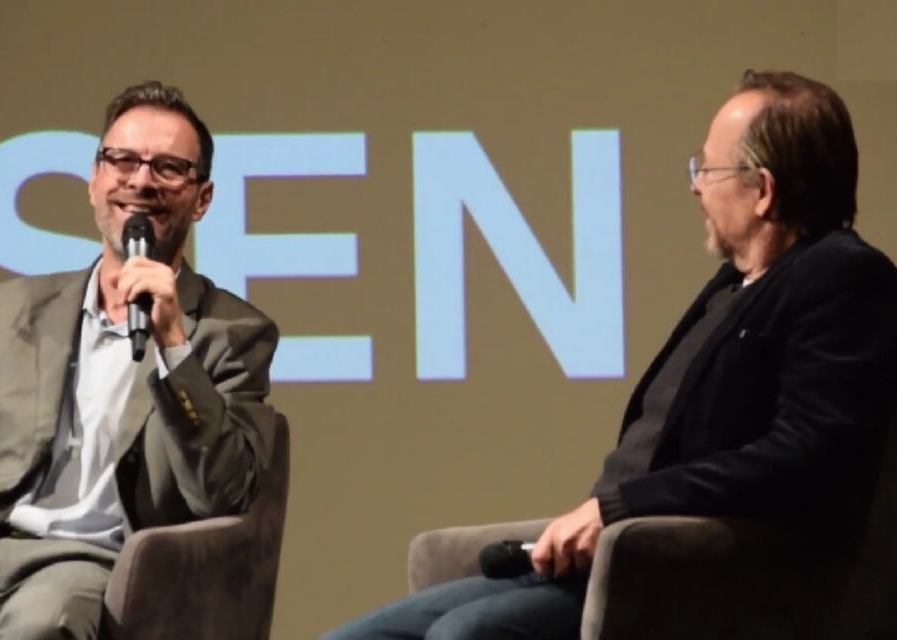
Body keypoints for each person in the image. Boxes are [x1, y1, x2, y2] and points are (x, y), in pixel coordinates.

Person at [321, 69, 897, 639]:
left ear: (763, 189)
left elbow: (806, 455)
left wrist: (623, 510)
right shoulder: (732, 286)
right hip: (605, 564)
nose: (696, 186)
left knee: (463, 635)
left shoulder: (842, 276)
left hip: (689, 579)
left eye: (708, 169)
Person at [0, 81, 279, 639]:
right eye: (123, 160)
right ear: (94, 179)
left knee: (38, 632)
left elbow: (222, 492)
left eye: (168, 168)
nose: (140, 181)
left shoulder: (232, 334)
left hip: (81, 566)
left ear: (201, 198)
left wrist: (173, 345)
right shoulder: (14, 307)